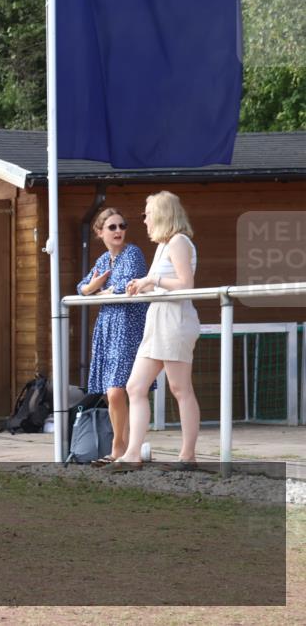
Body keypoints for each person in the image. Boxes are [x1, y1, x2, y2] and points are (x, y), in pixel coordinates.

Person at [117, 191, 200, 470]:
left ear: (162, 214)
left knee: (180, 388)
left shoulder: (178, 242)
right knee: (135, 386)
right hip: (158, 319)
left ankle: (187, 456)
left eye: (147, 214)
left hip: (175, 320)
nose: (144, 220)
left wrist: (153, 279)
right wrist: (144, 283)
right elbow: (164, 281)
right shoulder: (164, 245)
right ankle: (132, 453)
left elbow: (186, 284)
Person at [76, 208, 149, 465]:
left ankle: (119, 448)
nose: (118, 231)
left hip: (128, 326)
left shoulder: (133, 253)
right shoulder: (103, 260)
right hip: (107, 327)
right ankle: (126, 447)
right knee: (110, 392)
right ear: (100, 233)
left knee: (117, 390)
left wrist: (102, 292)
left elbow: (126, 286)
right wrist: (95, 287)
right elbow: (82, 288)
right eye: (112, 227)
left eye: (122, 225)